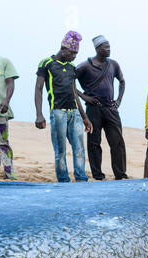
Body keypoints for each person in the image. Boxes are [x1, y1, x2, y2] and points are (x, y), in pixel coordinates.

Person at [34, 31, 93, 183]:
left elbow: (74, 92)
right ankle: (63, 180)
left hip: (74, 113)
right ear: (63, 48)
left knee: (79, 148)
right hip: (58, 112)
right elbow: (38, 89)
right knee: (60, 150)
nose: (74, 56)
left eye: (76, 53)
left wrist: (85, 117)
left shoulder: (72, 67)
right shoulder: (47, 63)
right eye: (72, 52)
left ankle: (81, 178)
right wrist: (39, 114)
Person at [76, 35, 128, 181]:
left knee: (117, 142)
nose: (109, 49)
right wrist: (84, 97)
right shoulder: (85, 66)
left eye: (109, 46)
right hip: (93, 110)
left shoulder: (113, 65)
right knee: (94, 142)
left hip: (110, 108)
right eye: (106, 47)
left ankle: (121, 175)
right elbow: (70, 81)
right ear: (98, 49)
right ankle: (98, 176)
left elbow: (122, 81)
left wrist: (118, 100)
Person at [0, 56, 19, 180]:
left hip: (0, 109)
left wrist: (6, 100)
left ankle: (9, 173)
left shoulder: (4, 61)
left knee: (3, 143)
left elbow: (11, 82)